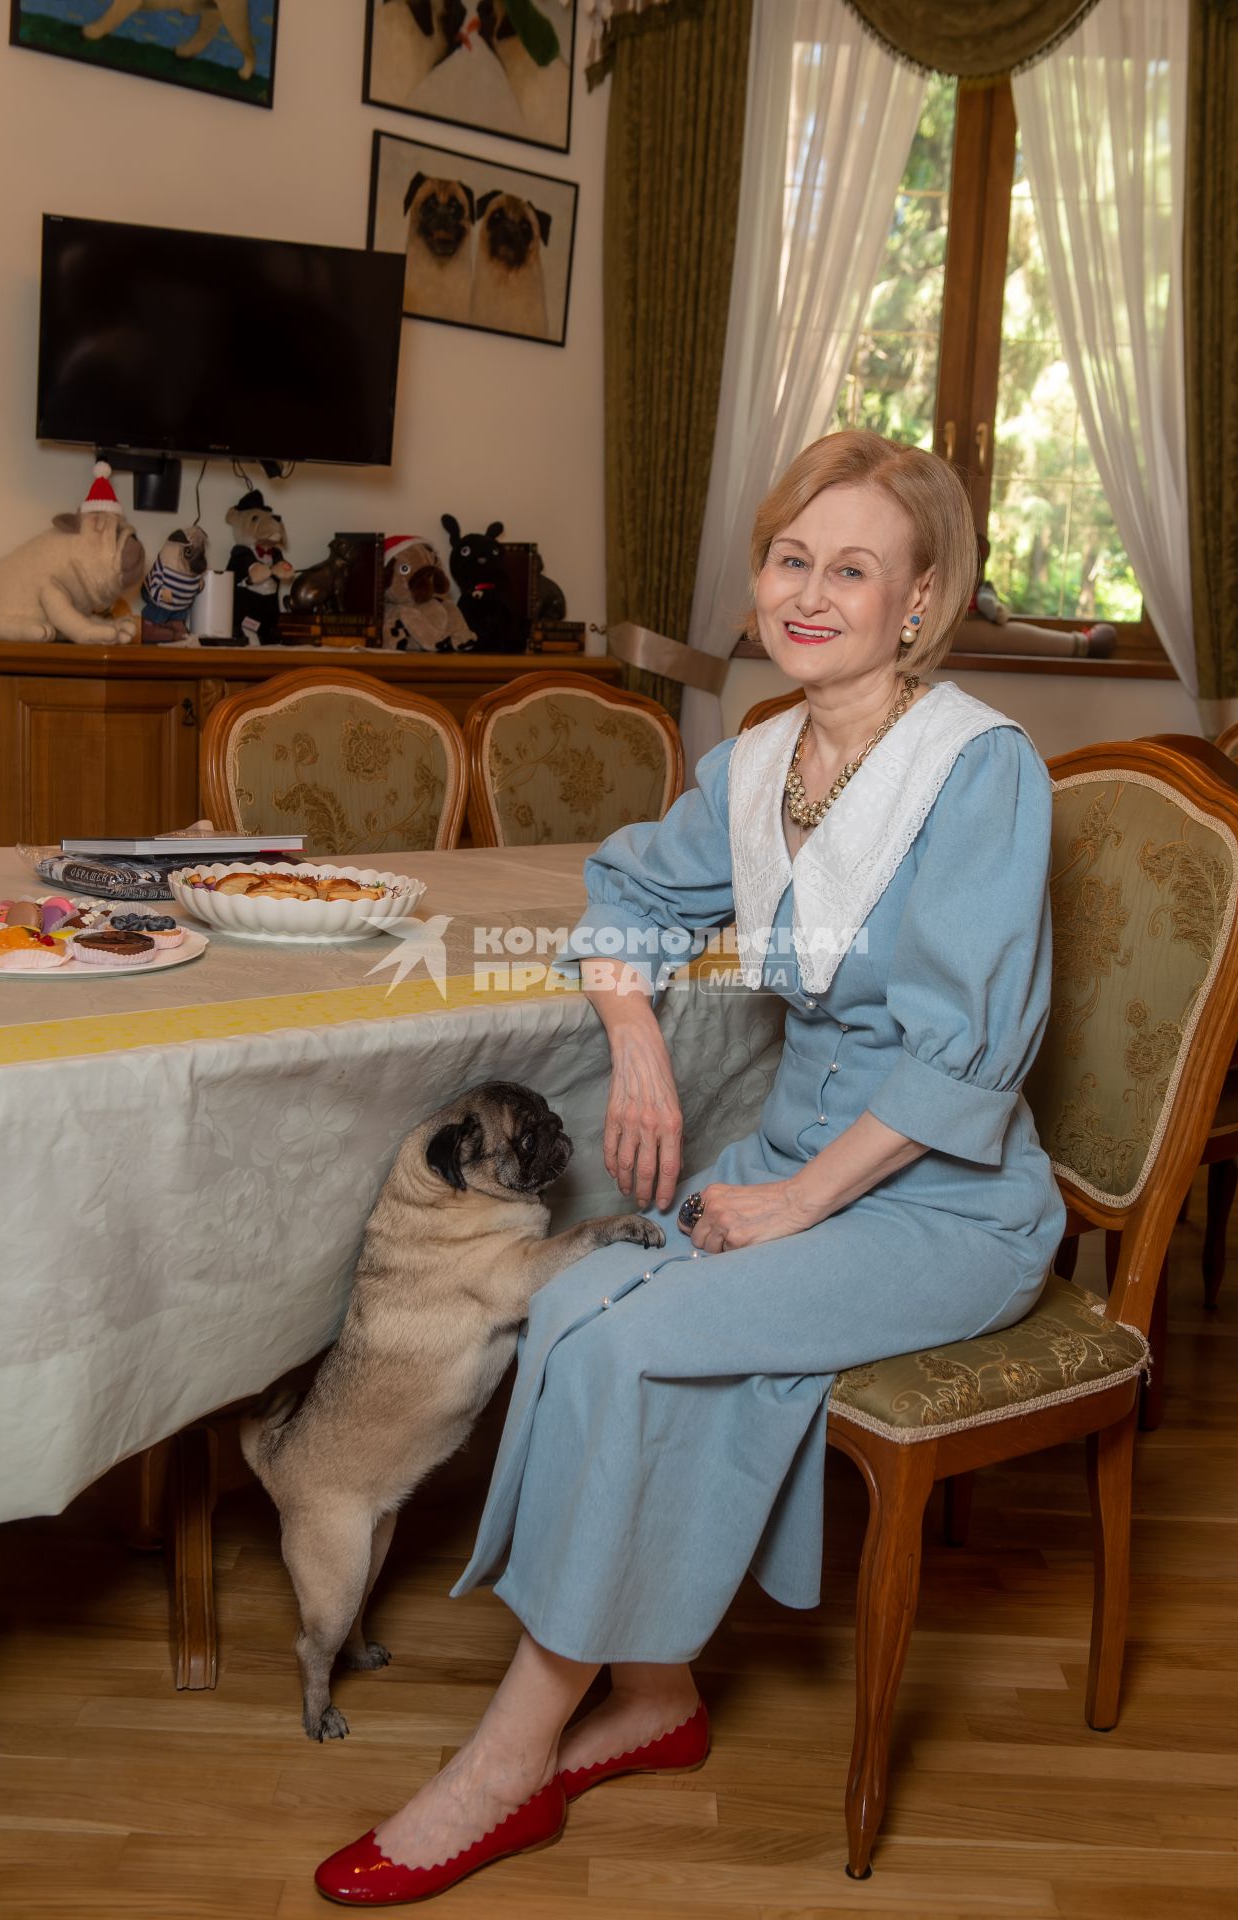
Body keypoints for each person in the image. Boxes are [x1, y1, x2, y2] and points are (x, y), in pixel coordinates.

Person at [314, 430, 1067, 1905]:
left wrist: (788, 1203)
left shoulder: (981, 770)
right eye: (793, 556)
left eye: (853, 568)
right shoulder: (763, 759)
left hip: (944, 1199)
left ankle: (509, 1760)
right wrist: (640, 1043)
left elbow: (969, 1055)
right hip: (796, 1148)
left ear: (919, 600)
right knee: (583, 1296)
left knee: (634, 1336)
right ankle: (654, 1697)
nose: (809, 590)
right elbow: (627, 895)